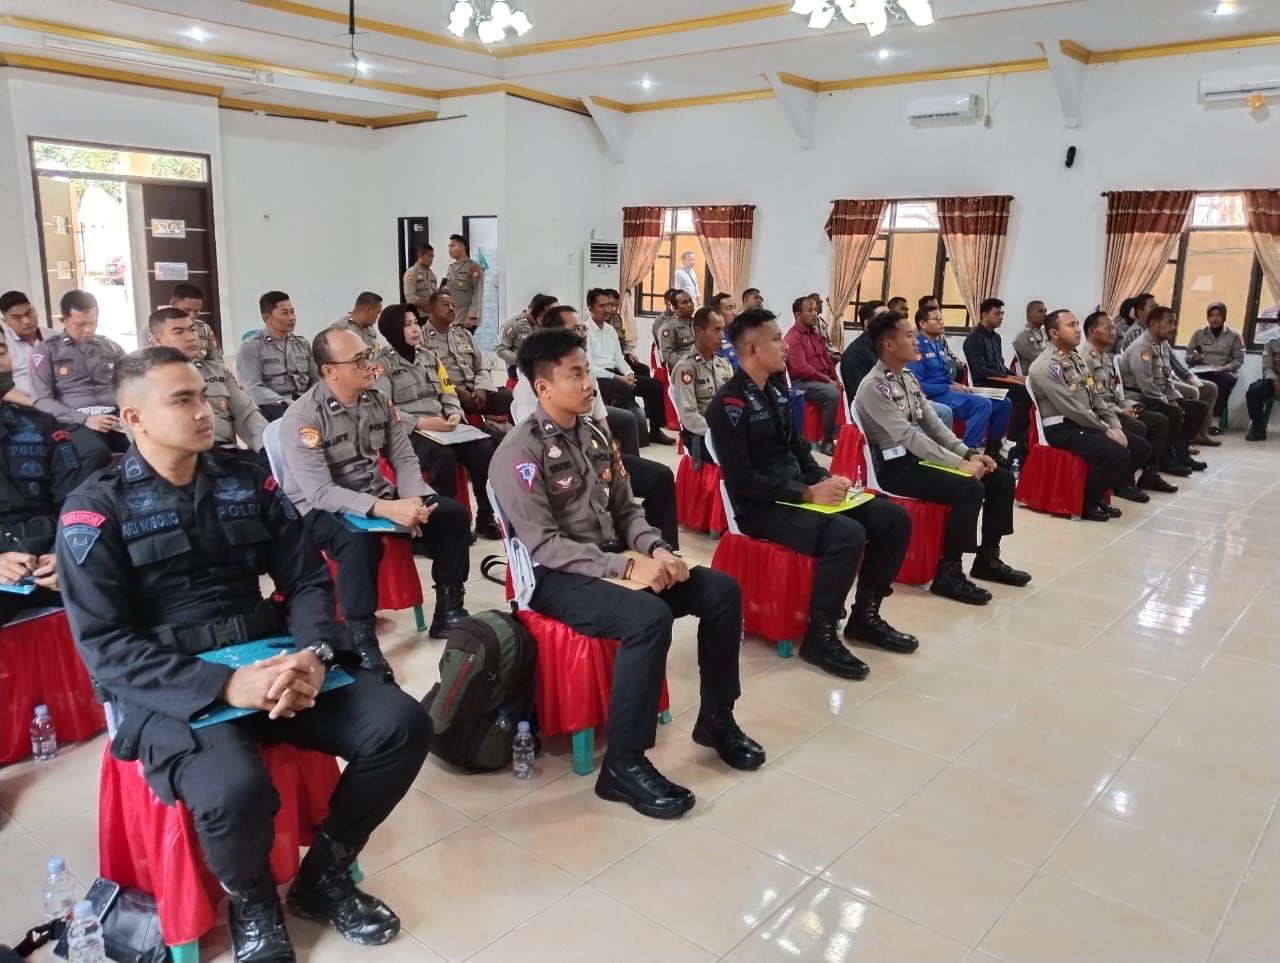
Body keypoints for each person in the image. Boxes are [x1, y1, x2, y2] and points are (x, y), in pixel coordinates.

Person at [58, 346, 429, 962]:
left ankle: (324, 875)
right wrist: (226, 687)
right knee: (235, 787)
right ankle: (253, 904)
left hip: (272, 659)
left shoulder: (245, 478)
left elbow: (306, 579)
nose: (205, 411)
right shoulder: (96, 509)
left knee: (401, 725)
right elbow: (105, 645)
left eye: (204, 396)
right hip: (179, 687)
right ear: (134, 419)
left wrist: (312, 654)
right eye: (183, 401)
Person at [492, 328, 764, 820]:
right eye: (575, 375)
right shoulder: (519, 453)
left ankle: (716, 717)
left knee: (721, 590)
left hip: (613, 561)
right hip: (555, 577)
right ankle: (623, 762)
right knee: (647, 618)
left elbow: (626, 511)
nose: (588, 383)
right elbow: (544, 545)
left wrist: (656, 548)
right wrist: (627, 565)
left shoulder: (595, 435)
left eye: (587, 372)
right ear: (543, 387)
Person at [707, 309, 916, 681]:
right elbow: (742, 480)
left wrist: (827, 480)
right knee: (847, 535)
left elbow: (800, 451)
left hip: (797, 493)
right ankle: (820, 635)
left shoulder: (777, 392)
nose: (784, 346)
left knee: (892, 519)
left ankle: (865, 616)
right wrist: (806, 493)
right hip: (760, 507)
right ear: (752, 350)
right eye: (776, 339)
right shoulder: (727, 406)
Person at [281, 328, 472, 662]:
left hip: (375, 492)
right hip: (322, 509)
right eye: (358, 360)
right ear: (330, 371)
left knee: (451, 514)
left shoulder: (378, 401)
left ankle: (449, 609)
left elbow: (404, 458)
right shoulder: (304, 417)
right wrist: (387, 509)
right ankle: (361, 637)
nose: (369, 365)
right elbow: (321, 492)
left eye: (367, 356)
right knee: (358, 542)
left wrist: (412, 501)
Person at [857, 310, 1029, 603]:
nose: (916, 342)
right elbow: (909, 437)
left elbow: (934, 426)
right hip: (894, 468)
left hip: (915, 460)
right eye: (909, 336)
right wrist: (959, 464)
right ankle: (949, 572)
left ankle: (988, 558)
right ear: (889, 345)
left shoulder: (907, 378)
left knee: (999, 479)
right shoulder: (874, 387)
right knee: (969, 488)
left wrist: (970, 453)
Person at [511, 307, 679, 546]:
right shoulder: (531, 390)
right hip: (561, 467)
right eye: (575, 328)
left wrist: (612, 457)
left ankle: (663, 547)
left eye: (582, 327)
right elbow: (537, 442)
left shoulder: (584, 375)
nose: (583, 332)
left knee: (659, 477)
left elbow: (601, 422)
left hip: (594, 455)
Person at [372, 303, 500, 540]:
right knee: (443, 456)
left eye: (416, 323)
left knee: (484, 448)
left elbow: (448, 391)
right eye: (407, 325)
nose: (415, 329)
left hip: (443, 426)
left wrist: (454, 414)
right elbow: (384, 408)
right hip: (409, 432)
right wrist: (421, 423)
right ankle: (445, 526)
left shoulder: (430, 357)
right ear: (392, 329)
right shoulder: (381, 365)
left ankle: (486, 516)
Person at [0, 338, 84, 625]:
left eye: (0, 352)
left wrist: (64, 555)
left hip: (49, 559)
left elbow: (75, 500)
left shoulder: (41, 425)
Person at [1027, 311, 1134, 521]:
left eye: (1077, 324)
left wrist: (1114, 424)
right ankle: (1085, 502)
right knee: (1117, 454)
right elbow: (1070, 407)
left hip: (1081, 423)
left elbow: (1095, 395)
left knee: (1136, 446)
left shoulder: (1075, 358)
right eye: (1071, 325)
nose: (1078, 329)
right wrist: (1104, 429)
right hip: (1062, 427)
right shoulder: (1046, 365)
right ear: (1054, 333)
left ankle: (1097, 495)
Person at [30, 289, 128, 472]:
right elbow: (41, 400)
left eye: (93, 323)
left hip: (114, 418)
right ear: (64, 320)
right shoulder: (47, 350)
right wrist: (84, 419)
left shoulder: (111, 348)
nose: (88, 329)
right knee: (95, 452)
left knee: (146, 443)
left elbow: (130, 385)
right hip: (74, 421)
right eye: (80, 324)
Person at [1082, 310, 1181, 491]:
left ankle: (1150, 474)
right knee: (1138, 427)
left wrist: (1125, 405)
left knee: (1160, 421)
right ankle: (1123, 481)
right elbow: (1091, 398)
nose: (1114, 332)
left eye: (1114, 328)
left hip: (1113, 408)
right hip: (1100, 414)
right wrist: (1120, 411)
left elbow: (1112, 391)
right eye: (1108, 328)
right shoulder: (1084, 359)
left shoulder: (1105, 357)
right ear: (1092, 331)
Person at [150, 308, 268, 455]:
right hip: (184, 457)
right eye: (179, 332)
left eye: (192, 330)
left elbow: (247, 416)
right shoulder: (148, 381)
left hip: (226, 452)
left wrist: (268, 449)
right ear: (157, 340)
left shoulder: (217, 371)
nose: (190, 337)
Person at [908, 304, 1009, 456]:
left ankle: (993, 451)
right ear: (923, 323)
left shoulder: (937, 344)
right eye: (937, 319)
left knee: (1003, 403)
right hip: (935, 396)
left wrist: (957, 385)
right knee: (982, 404)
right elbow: (916, 385)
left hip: (948, 392)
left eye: (941, 318)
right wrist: (948, 388)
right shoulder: (917, 347)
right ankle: (967, 451)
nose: (942, 322)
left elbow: (943, 376)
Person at [1119, 307, 1208, 472]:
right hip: (1139, 397)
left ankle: (1181, 453)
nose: (1173, 327)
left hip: (1157, 395)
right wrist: (1168, 402)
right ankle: (1165, 459)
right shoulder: (1142, 347)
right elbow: (1146, 385)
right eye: (1169, 323)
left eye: (1174, 323)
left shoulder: (1162, 345)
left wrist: (1175, 399)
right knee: (1173, 412)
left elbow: (1166, 379)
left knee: (1198, 408)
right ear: (1154, 324)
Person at [587, 289, 673, 445]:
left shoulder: (610, 330)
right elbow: (589, 366)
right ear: (590, 308)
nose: (608, 309)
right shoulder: (585, 331)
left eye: (609, 305)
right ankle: (613, 432)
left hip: (615, 373)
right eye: (602, 306)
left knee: (655, 386)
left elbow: (619, 359)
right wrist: (619, 378)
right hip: (598, 377)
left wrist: (628, 373)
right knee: (623, 388)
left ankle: (655, 431)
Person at [421, 291, 512, 418]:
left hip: (475, 392)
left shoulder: (464, 334)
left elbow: (481, 366)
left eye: (453, 305)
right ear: (431, 309)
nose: (451, 308)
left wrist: (481, 388)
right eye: (446, 305)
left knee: (512, 398)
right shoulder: (421, 338)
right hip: (446, 395)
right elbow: (426, 377)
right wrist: (456, 391)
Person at [963, 297, 1030, 461]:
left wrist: (1018, 377)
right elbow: (981, 372)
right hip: (984, 383)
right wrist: (1011, 379)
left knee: (1029, 388)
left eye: (1002, 314)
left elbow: (1000, 366)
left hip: (998, 381)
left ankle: (1006, 446)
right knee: (1024, 394)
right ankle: (1011, 442)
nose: (1001, 317)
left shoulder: (996, 337)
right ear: (985, 315)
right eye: (997, 313)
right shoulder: (974, 339)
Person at [237, 291, 318, 422]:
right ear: (266, 317)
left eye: (292, 312)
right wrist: (286, 403)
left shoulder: (302, 344)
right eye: (285, 313)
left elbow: (317, 379)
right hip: (274, 406)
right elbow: (253, 388)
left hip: (305, 402)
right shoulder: (252, 346)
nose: (292, 318)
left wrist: (311, 399)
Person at [671, 307, 733, 464]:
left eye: (723, 329)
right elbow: (689, 416)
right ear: (699, 331)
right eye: (716, 330)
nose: (722, 336)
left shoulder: (723, 363)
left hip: (726, 430)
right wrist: (719, 432)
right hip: (702, 436)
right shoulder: (686, 368)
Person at [784, 295, 841, 455]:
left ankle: (839, 438)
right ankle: (827, 441)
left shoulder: (815, 334)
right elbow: (801, 368)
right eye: (810, 310)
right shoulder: (792, 337)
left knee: (843, 388)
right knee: (832, 394)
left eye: (815, 310)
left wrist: (835, 377)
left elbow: (826, 358)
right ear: (798, 314)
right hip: (802, 382)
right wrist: (827, 380)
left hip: (820, 379)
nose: (815, 313)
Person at [1185, 301, 1244, 431]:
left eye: (1218, 315)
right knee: (1189, 378)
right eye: (1211, 315)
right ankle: (1191, 420)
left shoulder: (1234, 335)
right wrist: (1194, 358)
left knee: (1224, 381)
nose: (1214, 319)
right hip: (1202, 370)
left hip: (1224, 372)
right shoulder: (1198, 334)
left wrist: (1225, 368)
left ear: (1224, 317)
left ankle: (1215, 421)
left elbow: (1239, 360)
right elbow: (1188, 359)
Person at [496, 293, 558, 377]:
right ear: (530, 308)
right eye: (540, 314)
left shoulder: (545, 326)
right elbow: (501, 350)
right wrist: (522, 361)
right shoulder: (512, 324)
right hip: (518, 372)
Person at [1, 290, 44, 403]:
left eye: (29, 313)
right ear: (5, 321)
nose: (27, 321)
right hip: (21, 405)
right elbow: (3, 388)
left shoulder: (54, 337)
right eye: (16, 318)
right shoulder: (4, 346)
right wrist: (39, 405)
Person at [169, 282, 220, 361]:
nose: (192, 316)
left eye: (196, 311)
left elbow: (216, 358)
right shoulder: (157, 329)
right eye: (187, 310)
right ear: (173, 305)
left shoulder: (204, 328)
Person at [444, 234, 483, 330]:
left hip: (466, 318)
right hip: (453, 317)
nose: (449, 249)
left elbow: (478, 292)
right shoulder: (451, 268)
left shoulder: (473, 267)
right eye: (449, 247)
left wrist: (471, 316)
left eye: (452, 246)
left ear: (462, 247)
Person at [1245, 336, 1279, 441]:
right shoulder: (1271, 343)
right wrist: (1275, 382)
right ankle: (1258, 428)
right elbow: (1267, 367)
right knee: (1254, 391)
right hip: (1275, 380)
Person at [657, 290, 698, 371]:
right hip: (682, 368)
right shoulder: (668, 326)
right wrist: (687, 364)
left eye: (690, 301)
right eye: (684, 303)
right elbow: (667, 354)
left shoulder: (697, 323)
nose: (690, 305)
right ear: (675, 308)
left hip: (700, 363)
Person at [1012, 299, 1048, 373]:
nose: (1045, 314)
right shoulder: (1023, 337)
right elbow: (1040, 360)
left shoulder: (1046, 333)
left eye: (1045, 311)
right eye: (1040, 311)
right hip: (1032, 377)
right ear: (1029, 315)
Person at [402, 243, 438, 315]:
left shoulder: (432, 275)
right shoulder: (412, 273)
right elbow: (410, 297)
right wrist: (429, 305)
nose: (431, 259)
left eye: (432, 257)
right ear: (420, 255)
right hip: (418, 315)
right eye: (429, 256)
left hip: (432, 315)